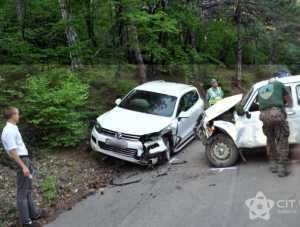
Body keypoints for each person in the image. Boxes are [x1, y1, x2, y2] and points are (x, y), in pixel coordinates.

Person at [1, 107, 46, 227]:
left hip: (24, 159)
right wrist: (23, 166)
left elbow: (19, 148)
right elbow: (12, 151)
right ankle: (26, 221)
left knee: (28, 189)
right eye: (18, 113)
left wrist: (27, 162)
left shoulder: (13, 128)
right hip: (20, 161)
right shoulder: (8, 130)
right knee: (22, 192)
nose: (19, 115)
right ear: (12, 115)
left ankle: (34, 213)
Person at [258, 79, 292, 177]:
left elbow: (260, 104)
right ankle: (282, 169)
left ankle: (273, 165)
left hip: (264, 116)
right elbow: (288, 99)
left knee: (270, 139)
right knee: (282, 139)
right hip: (276, 114)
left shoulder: (261, 89)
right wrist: (288, 105)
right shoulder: (279, 84)